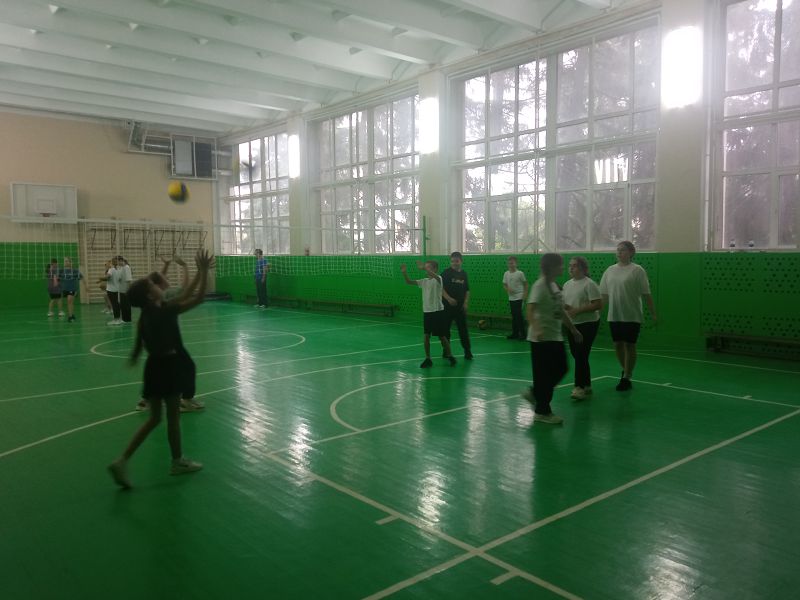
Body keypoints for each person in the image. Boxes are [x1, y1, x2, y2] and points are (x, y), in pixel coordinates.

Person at [107, 249, 214, 489]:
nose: (157, 285)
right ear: (150, 294)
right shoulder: (165, 310)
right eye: (152, 285)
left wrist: (199, 272)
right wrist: (203, 270)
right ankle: (177, 462)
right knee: (173, 418)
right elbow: (197, 297)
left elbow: (139, 344)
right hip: (168, 367)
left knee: (154, 418)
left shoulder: (146, 316)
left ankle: (122, 460)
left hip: (152, 367)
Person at [135, 256, 204, 413]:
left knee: (159, 370)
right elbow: (188, 289)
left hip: (158, 341)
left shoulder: (151, 301)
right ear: (157, 286)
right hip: (170, 341)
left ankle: (146, 399)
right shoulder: (167, 296)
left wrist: (166, 266)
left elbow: (158, 278)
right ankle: (186, 399)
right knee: (187, 367)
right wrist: (188, 267)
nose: (167, 278)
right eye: (164, 278)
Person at [523, 253, 582, 425]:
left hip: (555, 335)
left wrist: (573, 329)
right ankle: (542, 411)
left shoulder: (554, 286)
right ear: (551, 267)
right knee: (544, 375)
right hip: (540, 339)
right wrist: (537, 328)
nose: (563, 267)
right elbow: (530, 309)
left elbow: (560, 310)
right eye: (560, 265)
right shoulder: (540, 285)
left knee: (561, 368)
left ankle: (535, 394)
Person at [599, 241, 658, 391]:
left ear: (631, 252)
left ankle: (626, 376)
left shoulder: (637, 270)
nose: (619, 252)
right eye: (618, 250)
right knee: (618, 344)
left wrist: (653, 313)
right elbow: (604, 295)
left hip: (632, 314)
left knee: (629, 345)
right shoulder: (610, 270)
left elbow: (646, 294)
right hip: (615, 314)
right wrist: (597, 311)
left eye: (623, 250)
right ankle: (626, 370)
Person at [401, 261, 456, 368]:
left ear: (435, 269)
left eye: (429, 267)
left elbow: (434, 276)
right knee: (426, 336)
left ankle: (450, 356)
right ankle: (428, 358)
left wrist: (423, 268)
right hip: (427, 312)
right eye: (426, 267)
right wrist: (404, 272)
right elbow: (408, 282)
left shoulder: (439, 279)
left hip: (438, 311)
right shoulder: (424, 281)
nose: (426, 269)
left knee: (442, 336)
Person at [562, 256, 602, 400]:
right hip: (573, 324)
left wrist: (578, 310)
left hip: (589, 323)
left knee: (580, 354)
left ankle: (579, 387)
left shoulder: (589, 284)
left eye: (574, 265)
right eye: (570, 265)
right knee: (578, 355)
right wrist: (565, 308)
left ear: (583, 268)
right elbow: (568, 304)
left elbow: (598, 304)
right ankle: (587, 384)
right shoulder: (567, 284)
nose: (571, 268)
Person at [442, 251, 473, 359]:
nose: (454, 263)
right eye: (452, 261)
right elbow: (440, 288)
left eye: (457, 261)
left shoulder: (464, 274)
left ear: (461, 261)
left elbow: (467, 290)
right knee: (445, 330)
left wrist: (465, 303)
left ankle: (467, 351)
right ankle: (446, 350)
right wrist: (449, 298)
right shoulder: (446, 273)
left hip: (460, 307)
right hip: (447, 306)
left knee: (463, 330)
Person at [502, 256, 528, 340]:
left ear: (516, 264)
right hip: (511, 298)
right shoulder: (506, 273)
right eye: (509, 263)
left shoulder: (520, 273)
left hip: (519, 297)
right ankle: (515, 333)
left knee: (519, 316)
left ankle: (523, 334)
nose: (511, 265)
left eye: (512, 263)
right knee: (514, 316)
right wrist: (508, 289)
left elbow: (526, 285)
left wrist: (524, 296)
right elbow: (504, 284)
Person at [59, 257, 83, 322]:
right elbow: (58, 279)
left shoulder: (74, 270)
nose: (66, 262)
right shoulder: (61, 271)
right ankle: (72, 314)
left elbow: (81, 278)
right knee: (70, 303)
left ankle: (70, 317)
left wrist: (86, 286)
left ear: (70, 262)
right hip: (65, 289)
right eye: (65, 261)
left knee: (69, 300)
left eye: (67, 261)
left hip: (72, 288)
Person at [105, 256, 122, 325]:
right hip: (116, 289)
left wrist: (102, 278)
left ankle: (116, 320)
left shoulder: (111, 270)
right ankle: (118, 319)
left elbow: (108, 277)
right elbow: (120, 279)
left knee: (114, 305)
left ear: (112, 263)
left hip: (111, 290)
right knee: (116, 304)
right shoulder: (119, 269)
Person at [117, 256, 133, 323]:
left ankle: (127, 319)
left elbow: (129, 280)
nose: (117, 263)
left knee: (126, 305)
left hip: (126, 290)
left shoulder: (127, 267)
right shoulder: (121, 268)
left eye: (118, 261)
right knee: (122, 305)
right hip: (121, 290)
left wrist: (129, 291)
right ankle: (123, 319)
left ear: (121, 260)